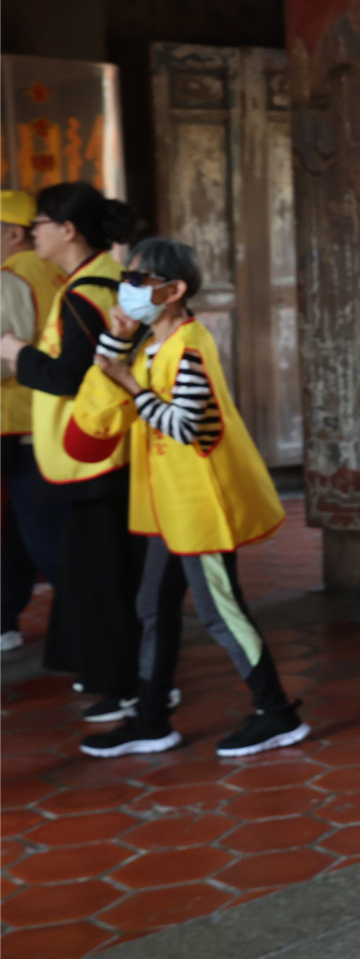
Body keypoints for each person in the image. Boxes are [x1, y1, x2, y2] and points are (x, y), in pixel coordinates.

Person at [61, 237, 304, 757]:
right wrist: (117, 345)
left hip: (198, 506)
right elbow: (104, 401)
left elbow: (186, 426)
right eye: (125, 278)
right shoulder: (152, 344)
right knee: (153, 606)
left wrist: (132, 386)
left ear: (173, 291)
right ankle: (151, 719)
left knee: (221, 612)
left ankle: (277, 713)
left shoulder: (189, 346)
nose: (126, 289)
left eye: (137, 280)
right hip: (167, 506)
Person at [0, 183, 145, 716]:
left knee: (98, 570)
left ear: (67, 230)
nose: (34, 233)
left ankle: (129, 685)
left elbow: (70, 377)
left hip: (95, 451)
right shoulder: (100, 281)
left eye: (40, 224)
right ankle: (116, 675)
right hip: (97, 446)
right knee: (91, 564)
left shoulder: (85, 292)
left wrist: (18, 353)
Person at [1, 189, 68, 654]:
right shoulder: (58, 271)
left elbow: (8, 355)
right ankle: (4, 616)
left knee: (43, 531)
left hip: (15, 420)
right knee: (23, 525)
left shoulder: (11, 276)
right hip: (48, 418)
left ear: (13, 234)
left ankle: (97, 633)